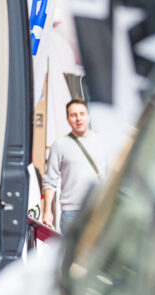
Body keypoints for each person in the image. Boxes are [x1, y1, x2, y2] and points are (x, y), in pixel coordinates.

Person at [42, 98, 108, 232]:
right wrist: (47, 211)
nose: (78, 119)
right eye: (73, 115)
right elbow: (50, 181)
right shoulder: (60, 144)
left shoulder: (103, 141)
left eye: (82, 114)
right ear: (68, 119)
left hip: (98, 209)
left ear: (88, 116)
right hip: (71, 213)